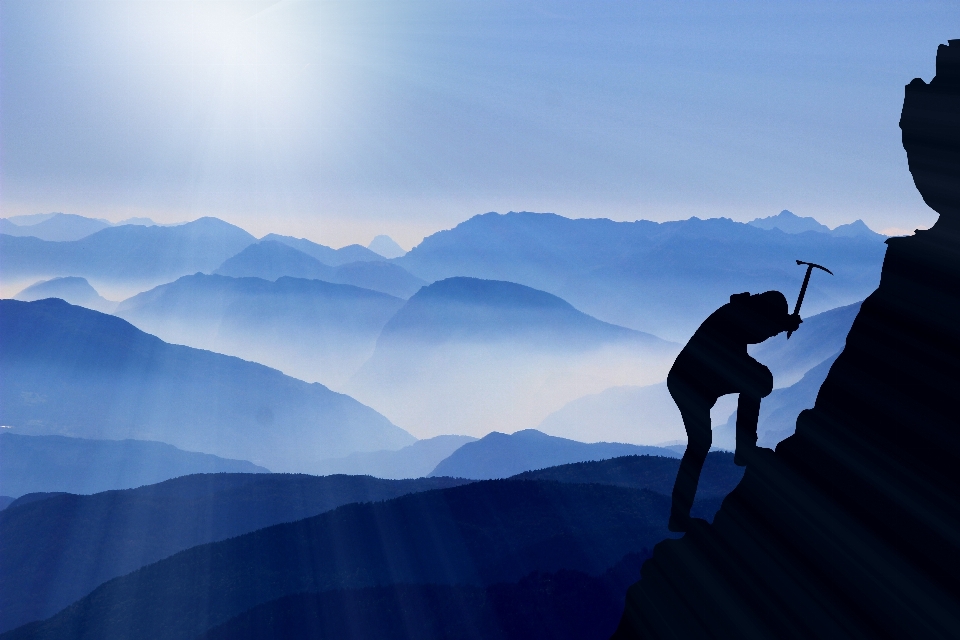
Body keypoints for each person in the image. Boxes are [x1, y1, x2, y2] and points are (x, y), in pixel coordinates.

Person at [667, 291, 802, 532]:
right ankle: (744, 450)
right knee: (700, 444)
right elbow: (755, 330)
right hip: (692, 380)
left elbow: (755, 330)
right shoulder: (738, 315)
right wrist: (783, 324)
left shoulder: (739, 311)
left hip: (695, 377)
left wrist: (781, 324)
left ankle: (743, 450)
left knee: (756, 381)